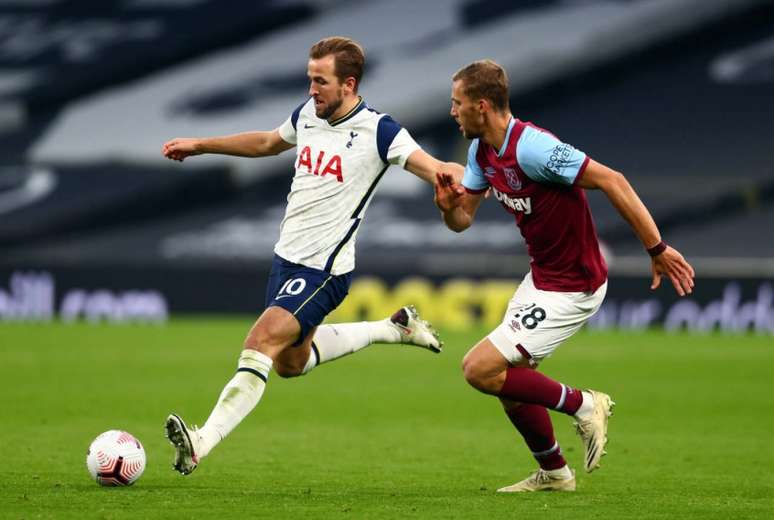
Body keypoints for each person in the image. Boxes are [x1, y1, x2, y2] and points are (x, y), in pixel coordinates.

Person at [160, 36, 463, 475]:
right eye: (309, 79)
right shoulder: (309, 115)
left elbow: (435, 168)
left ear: (349, 84)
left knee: (260, 340)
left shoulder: (381, 131)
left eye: (320, 81)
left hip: (325, 270)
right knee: (288, 363)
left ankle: (201, 441)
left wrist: (461, 181)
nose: (311, 90)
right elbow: (267, 142)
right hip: (286, 261)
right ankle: (392, 328)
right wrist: (201, 145)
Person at [434, 60, 695, 492]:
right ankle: (555, 473)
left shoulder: (533, 148)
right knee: (511, 382)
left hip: (574, 285)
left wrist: (657, 248)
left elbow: (613, 180)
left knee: (478, 369)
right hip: (542, 278)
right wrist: (448, 208)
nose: (452, 111)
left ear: (481, 106)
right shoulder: (481, 151)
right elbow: (463, 221)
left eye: (456, 103)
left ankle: (584, 404)